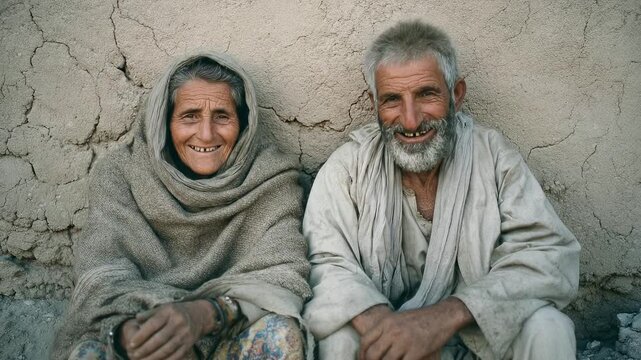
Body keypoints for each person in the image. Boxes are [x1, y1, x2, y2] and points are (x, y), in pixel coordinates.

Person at [303, 20, 580, 360]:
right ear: (374, 105)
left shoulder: (493, 158)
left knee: (549, 326)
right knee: (340, 338)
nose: (410, 120)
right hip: (388, 346)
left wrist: (438, 321)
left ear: (456, 94)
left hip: (478, 341)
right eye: (392, 100)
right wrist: (394, 333)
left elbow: (547, 254)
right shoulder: (349, 168)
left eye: (426, 94)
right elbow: (325, 263)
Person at [52, 52, 312, 360]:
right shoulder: (122, 174)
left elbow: (282, 276)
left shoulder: (272, 181)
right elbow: (101, 275)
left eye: (222, 116)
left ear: (244, 124)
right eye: (189, 116)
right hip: (138, 329)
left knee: (281, 336)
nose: (206, 134)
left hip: (225, 330)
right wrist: (135, 333)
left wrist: (203, 315)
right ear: (164, 122)